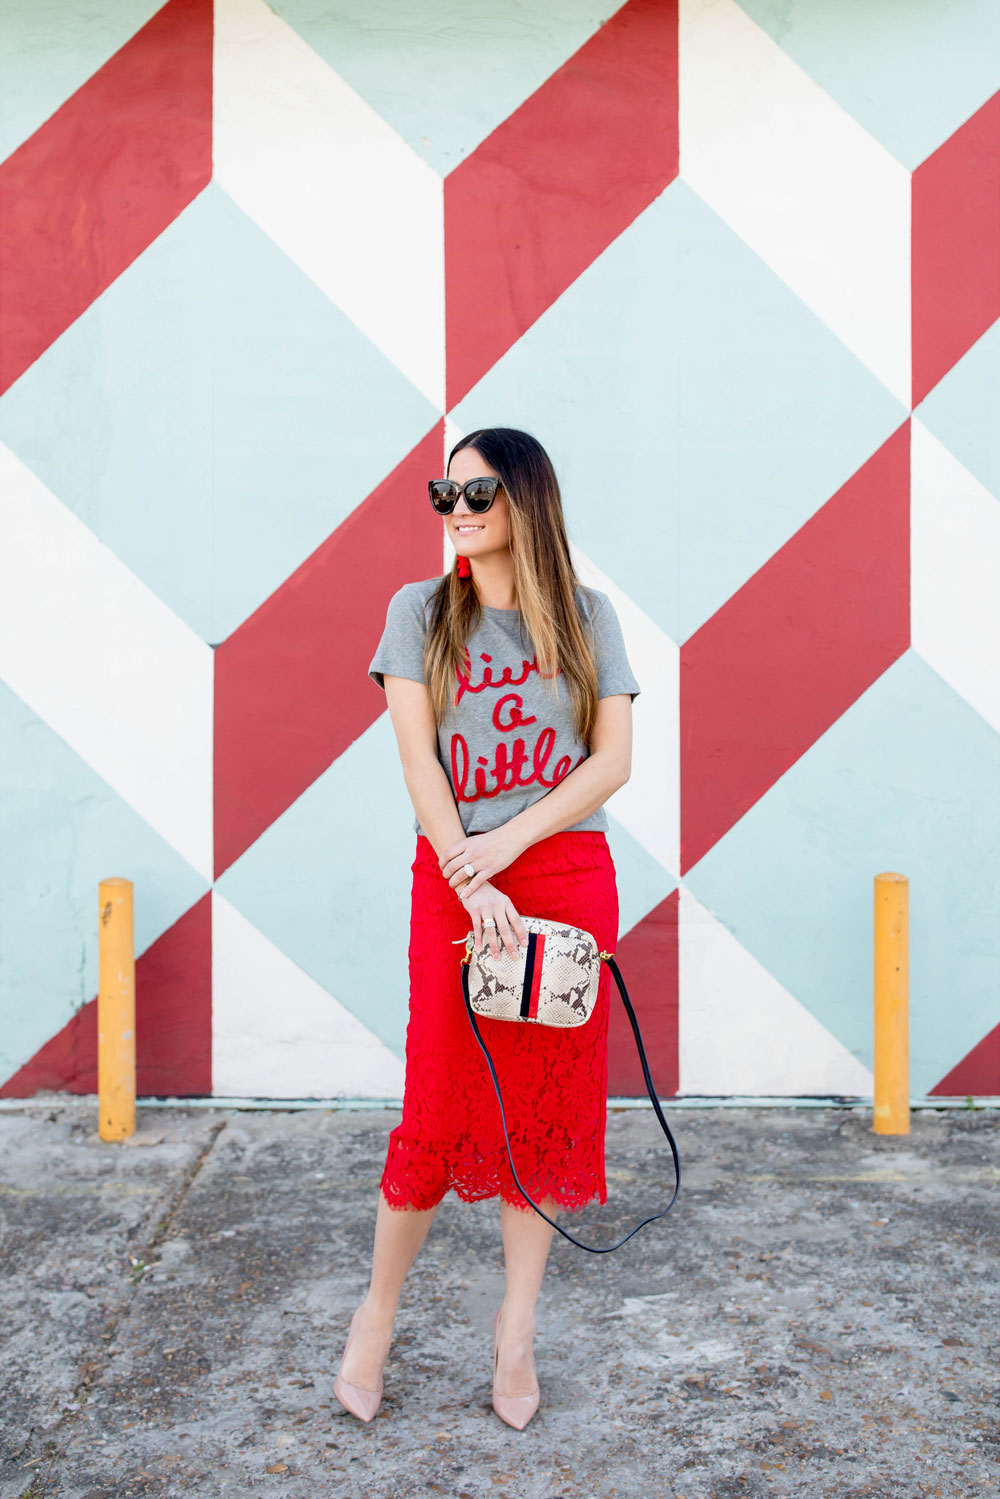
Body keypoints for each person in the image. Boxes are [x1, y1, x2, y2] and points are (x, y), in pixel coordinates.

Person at [334, 427, 640, 1429]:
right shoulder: (418, 613)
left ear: (525, 499)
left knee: (540, 1124)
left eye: (475, 491)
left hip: (559, 875)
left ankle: (516, 1333)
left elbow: (608, 762)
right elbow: (421, 766)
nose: (455, 509)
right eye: (444, 492)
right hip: (457, 879)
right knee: (435, 1109)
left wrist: (506, 846)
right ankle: (374, 1318)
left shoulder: (588, 618)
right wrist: (474, 875)